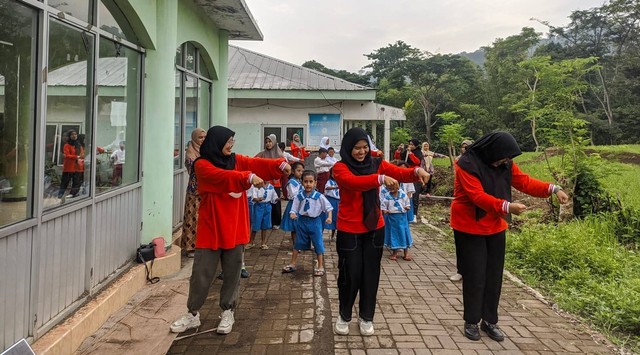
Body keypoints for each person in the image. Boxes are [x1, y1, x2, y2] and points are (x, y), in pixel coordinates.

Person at [170, 126, 291, 335]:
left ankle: (228, 311)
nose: (231, 145)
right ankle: (192, 314)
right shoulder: (202, 165)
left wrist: (280, 164)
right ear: (216, 142)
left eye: (232, 141)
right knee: (201, 273)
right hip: (211, 227)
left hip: (234, 226)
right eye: (228, 141)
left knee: (233, 272)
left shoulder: (235, 160)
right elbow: (221, 178)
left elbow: (257, 164)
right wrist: (247, 178)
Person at [451, 131, 569, 342]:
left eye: (508, 159)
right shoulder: (466, 164)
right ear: (492, 151)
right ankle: (471, 321)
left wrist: (553, 188)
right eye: (504, 157)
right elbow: (477, 196)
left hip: (495, 225)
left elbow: (524, 182)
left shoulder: (503, 163)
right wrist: (506, 206)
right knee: (475, 276)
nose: (506, 162)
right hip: (470, 226)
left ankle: (489, 321)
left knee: (494, 276)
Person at [333, 128, 430, 336]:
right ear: (348, 148)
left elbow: (399, 173)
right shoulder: (340, 168)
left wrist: (416, 172)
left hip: (375, 228)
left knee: (371, 274)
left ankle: (366, 317)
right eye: (356, 148)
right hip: (349, 230)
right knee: (350, 275)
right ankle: (344, 315)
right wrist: (379, 179)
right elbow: (353, 183)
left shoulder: (376, 164)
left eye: (365, 147)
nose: (361, 152)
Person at [282, 170, 333, 277]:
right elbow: (294, 208)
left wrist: (329, 217)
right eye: (305, 182)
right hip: (302, 222)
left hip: (315, 223)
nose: (308, 184)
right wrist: (292, 214)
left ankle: (320, 266)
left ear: (315, 183)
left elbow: (328, 207)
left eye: (311, 182)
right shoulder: (299, 196)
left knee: (318, 243)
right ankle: (293, 263)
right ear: (302, 182)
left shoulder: (319, 196)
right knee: (297, 243)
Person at [450, 138, 474, 281]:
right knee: (461, 242)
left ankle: (472, 271)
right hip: (461, 206)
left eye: (467, 147)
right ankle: (461, 270)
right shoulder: (459, 161)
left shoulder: (478, 162)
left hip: (474, 207)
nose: (464, 149)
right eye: (462, 146)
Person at [181, 128, 206, 257]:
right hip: (194, 190)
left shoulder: (205, 151)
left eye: (204, 137)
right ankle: (190, 248)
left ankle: (201, 245)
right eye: (200, 138)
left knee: (202, 218)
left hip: (204, 190)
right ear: (195, 138)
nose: (203, 140)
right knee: (193, 218)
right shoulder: (190, 153)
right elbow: (194, 170)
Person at [256, 134, 284, 230]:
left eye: (270, 142)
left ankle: (276, 222)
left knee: (275, 202)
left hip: (275, 182)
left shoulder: (279, 155)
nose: (268, 144)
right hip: (264, 182)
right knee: (265, 202)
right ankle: (266, 222)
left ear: (274, 142)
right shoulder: (262, 154)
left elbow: (283, 168)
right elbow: (253, 161)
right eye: (266, 142)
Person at [381, 183, 413, 261]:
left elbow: (407, 202)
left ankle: (406, 254)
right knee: (394, 234)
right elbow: (383, 205)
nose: (391, 190)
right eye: (390, 188)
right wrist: (385, 210)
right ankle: (394, 253)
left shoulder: (403, 195)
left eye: (393, 188)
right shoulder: (388, 197)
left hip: (402, 218)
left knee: (404, 233)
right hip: (392, 218)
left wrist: (407, 207)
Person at [249, 181, 279, 250]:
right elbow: (253, 197)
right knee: (256, 223)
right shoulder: (257, 186)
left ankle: (263, 243)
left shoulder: (271, 187)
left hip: (267, 206)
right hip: (259, 206)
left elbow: (274, 197)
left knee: (265, 225)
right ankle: (251, 242)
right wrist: (257, 199)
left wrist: (278, 199)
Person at [400, 139, 424, 222]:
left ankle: (414, 214)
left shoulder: (418, 153)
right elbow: (399, 158)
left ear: (416, 146)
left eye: (412, 145)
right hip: (406, 175)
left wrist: (410, 153)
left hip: (414, 175)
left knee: (414, 195)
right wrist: (399, 150)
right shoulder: (406, 152)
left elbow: (417, 161)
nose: (410, 146)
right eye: (409, 144)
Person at [281, 162, 304, 244]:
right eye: (299, 170)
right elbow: (294, 195)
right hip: (294, 205)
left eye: (302, 171)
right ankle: (296, 244)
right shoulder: (291, 182)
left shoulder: (299, 181)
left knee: (300, 225)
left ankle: (300, 242)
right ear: (293, 171)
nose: (301, 173)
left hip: (301, 205)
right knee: (294, 226)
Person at [58, 129, 84, 200]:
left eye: (75, 134)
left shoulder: (79, 145)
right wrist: (76, 157)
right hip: (69, 167)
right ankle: (60, 196)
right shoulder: (67, 145)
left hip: (77, 167)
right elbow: (66, 155)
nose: (74, 136)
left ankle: (73, 194)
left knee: (77, 182)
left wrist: (79, 157)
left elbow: (82, 155)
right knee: (64, 182)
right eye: (72, 134)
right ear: (69, 136)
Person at [323, 169, 340, 240]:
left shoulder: (340, 181)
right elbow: (327, 187)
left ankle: (334, 235)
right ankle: (322, 232)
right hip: (331, 201)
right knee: (328, 217)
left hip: (338, 201)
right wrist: (335, 187)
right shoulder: (329, 181)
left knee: (337, 218)